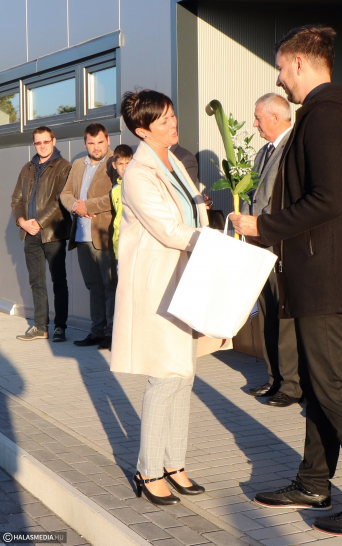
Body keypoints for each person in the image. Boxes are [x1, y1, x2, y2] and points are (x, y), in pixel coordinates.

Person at [230, 25, 342, 538]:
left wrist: (263, 226)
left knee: (338, 391)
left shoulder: (324, 115)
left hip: (326, 279)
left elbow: (328, 199)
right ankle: (313, 481)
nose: (279, 78)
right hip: (321, 275)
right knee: (322, 389)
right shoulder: (331, 112)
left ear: (300, 63)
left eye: (281, 67)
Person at [110, 89, 228, 506]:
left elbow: (189, 213)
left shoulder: (173, 159)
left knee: (184, 374)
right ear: (142, 131)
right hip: (158, 285)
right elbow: (168, 230)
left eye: (172, 115)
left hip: (184, 279)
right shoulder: (139, 173)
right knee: (165, 376)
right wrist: (215, 243)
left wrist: (206, 217)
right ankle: (148, 470)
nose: (173, 123)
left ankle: (174, 464)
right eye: (163, 120)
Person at [241, 93, 301, 408]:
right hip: (260, 245)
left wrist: (260, 226)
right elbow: (253, 194)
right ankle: (274, 377)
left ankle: (292, 385)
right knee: (266, 313)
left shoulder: (294, 148)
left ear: (275, 117)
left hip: (283, 246)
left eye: (258, 118)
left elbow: (288, 201)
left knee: (284, 316)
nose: (254, 124)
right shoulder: (264, 152)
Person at [11, 126, 72, 342]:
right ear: (34, 144)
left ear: (53, 141)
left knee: (58, 281)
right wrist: (22, 222)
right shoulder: (27, 168)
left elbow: (60, 201)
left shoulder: (64, 167)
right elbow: (17, 199)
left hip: (53, 233)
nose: (42, 146)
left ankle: (60, 327)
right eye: (38, 142)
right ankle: (40, 326)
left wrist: (38, 222)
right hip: (30, 234)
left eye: (46, 141)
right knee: (36, 282)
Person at [60, 123, 117, 351]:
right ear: (85, 143)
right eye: (91, 143)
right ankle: (97, 331)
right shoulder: (77, 165)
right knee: (94, 286)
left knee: (110, 285)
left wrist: (89, 206)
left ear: (108, 141)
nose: (96, 147)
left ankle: (112, 333)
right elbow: (65, 193)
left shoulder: (115, 163)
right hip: (82, 235)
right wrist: (76, 206)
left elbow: (117, 194)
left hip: (104, 235)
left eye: (100, 142)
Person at [110, 144, 134, 260]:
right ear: (114, 165)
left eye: (127, 163)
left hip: (134, 244)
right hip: (119, 244)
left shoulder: (137, 185)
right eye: (120, 164)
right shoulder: (115, 190)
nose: (124, 168)